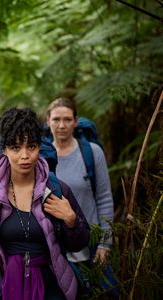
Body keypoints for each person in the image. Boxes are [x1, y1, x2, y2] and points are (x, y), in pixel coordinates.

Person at [0, 107, 90, 300]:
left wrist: (71, 221)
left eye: (31, 146)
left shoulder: (56, 190)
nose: (25, 155)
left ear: (39, 147)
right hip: (2, 286)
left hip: (50, 287)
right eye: (16, 148)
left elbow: (78, 244)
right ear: (5, 149)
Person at [46, 98, 115, 293]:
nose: (61, 125)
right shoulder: (40, 158)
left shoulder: (92, 153)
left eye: (67, 119)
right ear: (47, 121)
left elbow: (104, 198)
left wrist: (105, 244)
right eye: (56, 119)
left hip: (91, 246)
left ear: (75, 121)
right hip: (56, 250)